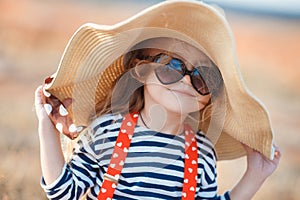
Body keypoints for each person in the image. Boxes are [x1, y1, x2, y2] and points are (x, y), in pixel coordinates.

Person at [34, 1, 281, 199]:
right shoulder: (105, 133)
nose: (186, 80)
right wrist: (47, 127)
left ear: (209, 96)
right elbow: (63, 192)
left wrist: (254, 176)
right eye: (170, 65)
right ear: (140, 71)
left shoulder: (203, 153)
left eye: (203, 76)